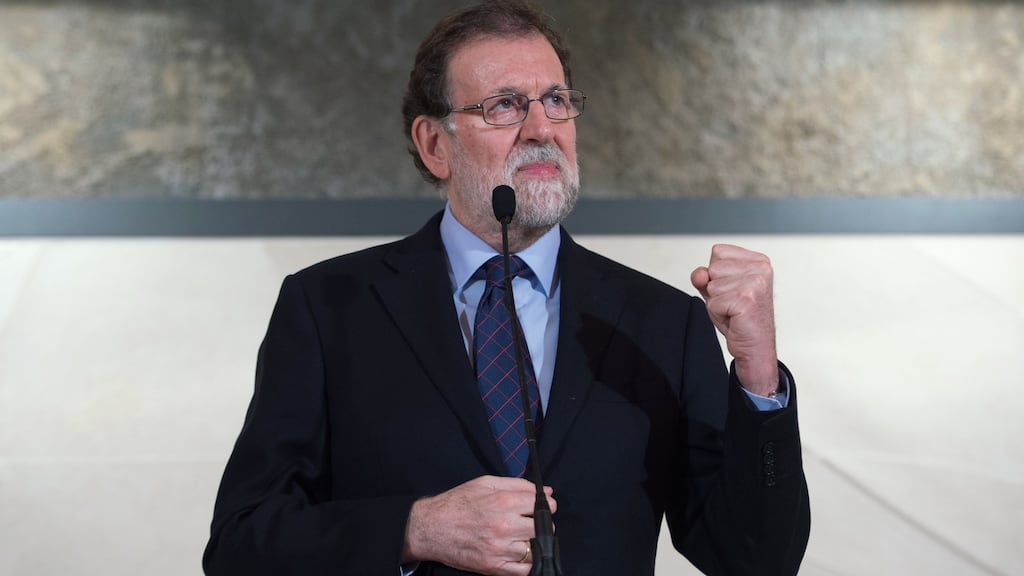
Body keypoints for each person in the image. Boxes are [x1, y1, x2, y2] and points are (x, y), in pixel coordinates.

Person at [202, 2, 810, 575]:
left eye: (556, 100)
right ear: (435, 145)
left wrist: (757, 372)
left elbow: (756, 560)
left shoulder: (661, 322)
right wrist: (412, 529)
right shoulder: (328, 308)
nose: (542, 128)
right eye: (504, 105)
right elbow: (240, 544)